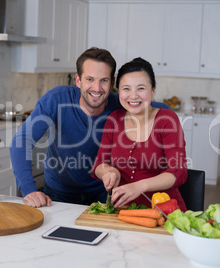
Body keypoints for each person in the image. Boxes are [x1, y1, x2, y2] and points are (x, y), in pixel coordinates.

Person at [10, 48, 168, 208]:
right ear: (78, 80)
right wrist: (29, 190)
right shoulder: (56, 99)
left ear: (112, 83)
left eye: (104, 80)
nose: (97, 88)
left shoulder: (121, 105)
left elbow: (160, 108)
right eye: (90, 79)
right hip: (58, 193)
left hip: (102, 194)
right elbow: (21, 142)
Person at [91, 57, 188, 211]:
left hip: (165, 212)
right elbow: (99, 165)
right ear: (118, 91)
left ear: (153, 90)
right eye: (126, 88)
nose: (133, 96)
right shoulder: (114, 119)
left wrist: (140, 186)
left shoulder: (167, 120)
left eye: (141, 88)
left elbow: (178, 171)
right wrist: (108, 171)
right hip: (123, 212)